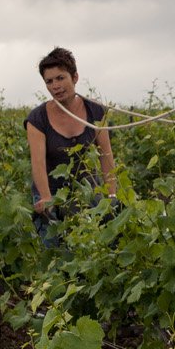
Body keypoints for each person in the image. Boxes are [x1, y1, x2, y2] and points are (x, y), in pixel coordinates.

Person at [26, 47, 116, 244]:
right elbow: (38, 164)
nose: (55, 86)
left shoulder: (95, 111)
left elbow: (106, 156)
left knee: (100, 243)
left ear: (74, 77)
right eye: (49, 81)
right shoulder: (37, 118)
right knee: (55, 249)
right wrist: (47, 199)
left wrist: (111, 194)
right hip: (51, 193)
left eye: (60, 78)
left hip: (87, 190)